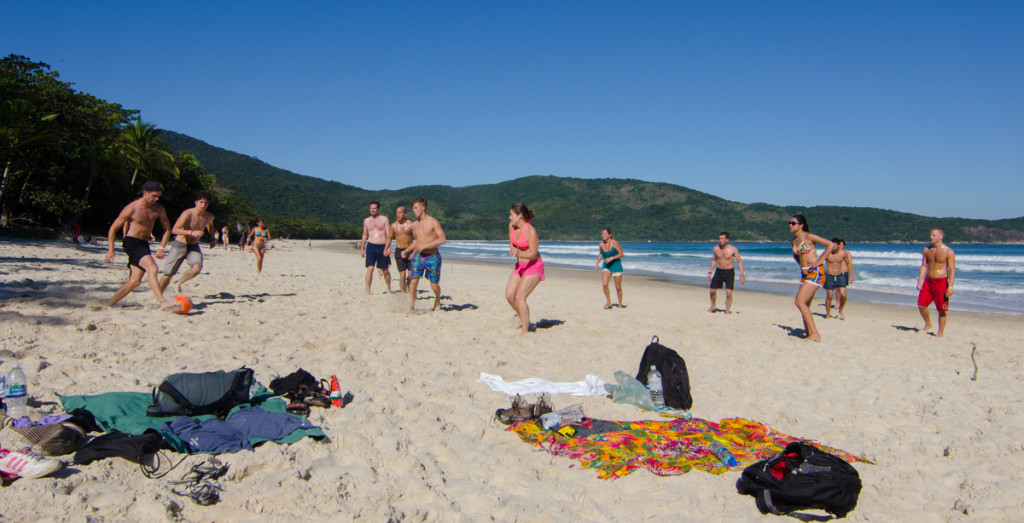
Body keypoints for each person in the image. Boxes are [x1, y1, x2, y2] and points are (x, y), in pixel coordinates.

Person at [104, 180, 174, 309]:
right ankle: (162, 302)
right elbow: (113, 228)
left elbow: (168, 229)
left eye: (159, 196)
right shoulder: (132, 208)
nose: (157, 199)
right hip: (131, 242)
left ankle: (108, 305)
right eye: (154, 196)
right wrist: (110, 250)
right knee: (153, 268)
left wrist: (162, 247)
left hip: (143, 244)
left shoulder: (159, 209)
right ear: (145, 193)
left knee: (135, 281)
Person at [158, 191, 215, 296]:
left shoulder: (208, 216)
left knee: (197, 267)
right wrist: (191, 232)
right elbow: (175, 230)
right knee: (168, 273)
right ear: (196, 202)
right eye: (201, 202)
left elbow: (210, 226)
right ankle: (158, 294)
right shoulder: (188, 213)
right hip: (180, 244)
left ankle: (178, 283)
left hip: (193, 246)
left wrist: (212, 239)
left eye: (205, 203)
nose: (203, 205)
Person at [788, 215, 834, 341]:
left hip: (815, 271)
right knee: (805, 304)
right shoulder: (794, 241)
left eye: (793, 223)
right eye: (789, 223)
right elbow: (796, 256)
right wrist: (802, 266)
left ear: (801, 225)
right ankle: (808, 332)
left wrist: (819, 261)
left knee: (799, 301)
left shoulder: (808, 237)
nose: (790, 225)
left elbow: (830, 245)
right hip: (805, 272)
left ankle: (815, 334)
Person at [402, 198, 446, 311]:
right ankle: (411, 306)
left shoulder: (433, 222)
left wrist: (426, 246)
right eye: (413, 209)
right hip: (419, 256)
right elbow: (417, 241)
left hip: (433, 257)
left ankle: (437, 300)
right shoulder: (415, 225)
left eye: (416, 208)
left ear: (423, 208)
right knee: (413, 280)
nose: (414, 211)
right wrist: (407, 250)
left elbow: (442, 239)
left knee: (434, 285)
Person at [505, 203, 544, 334]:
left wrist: (519, 253)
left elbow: (533, 253)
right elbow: (511, 241)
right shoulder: (511, 226)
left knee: (520, 297)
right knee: (510, 295)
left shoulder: (530, 231)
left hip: (534, 266)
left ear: (519, 215)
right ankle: (523, 319)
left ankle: (525, 331)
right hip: (520, 266)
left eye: (511, 215)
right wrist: (512, 247)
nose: (509, 218)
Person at [917, 228, 956, 337]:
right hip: (929, 281)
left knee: (941, 309)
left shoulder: (948, 251)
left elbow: (952, 270)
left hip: (941, 281)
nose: (931, 237)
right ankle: (928, 323)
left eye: (934, 235)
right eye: (931, 235)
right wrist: (920, 280)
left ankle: (940, 332)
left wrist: (951, 286)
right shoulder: (926, 250)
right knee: (921, 305)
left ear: (941, 237)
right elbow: (924, 266)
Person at [707, 231, 745, 314]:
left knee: (729, 293)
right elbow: (714, 260)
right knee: (712, 291)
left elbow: (739, 261)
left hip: (729, 272)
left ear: (727, 239)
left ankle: (727, 310)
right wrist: (710, 272)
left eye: (722, 238)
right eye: (719, 238)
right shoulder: (716, 249)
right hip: (719, 271)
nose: (720, 240)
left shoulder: (733, 249)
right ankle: (713, 305)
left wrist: (741, 274)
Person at [360, 201, 392, 294]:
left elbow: (388, 234)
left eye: (374, 208)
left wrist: (388, 247)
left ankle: (388, 287)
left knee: (385, 270)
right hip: (371, 246)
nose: (372, 210)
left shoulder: (384, 219)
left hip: (382, 246)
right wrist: (362, 248)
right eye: (371, 208)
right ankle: (368, 290)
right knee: (370, 268)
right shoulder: (366, 220)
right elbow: (365, 235)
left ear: (378, 209)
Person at [594, 227, 625, 309]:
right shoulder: (601, 244)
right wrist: (597, 263)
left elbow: (621, 254)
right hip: (607, 266)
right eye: (602, 234)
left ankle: (620, 304)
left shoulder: (614, 243)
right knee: (604, 285)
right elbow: (601, 254)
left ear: (610, 235)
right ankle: (608, 301)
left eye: (604, 233)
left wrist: (611, 258)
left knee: (618, 288)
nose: (602, 235)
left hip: (616, 266)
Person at [824, 238, 854, 319]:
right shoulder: (827, 253)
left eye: (835, 245)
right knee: (829, 296)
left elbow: (848, 264)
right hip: (829, 276)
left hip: (840, 275)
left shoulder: (843, 253)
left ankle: (840, 310)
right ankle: (828, 314)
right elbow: (819, 261)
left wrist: (851, 276)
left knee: (843, 295)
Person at [391, 205, 415, 293]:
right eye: (396, 212)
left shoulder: (411, 224)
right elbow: (389, 238)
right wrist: (386, 249)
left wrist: (416, 251)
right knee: (402, 274)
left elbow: (416, 238)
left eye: (400, 212)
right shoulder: (393, 225)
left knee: (410, 275)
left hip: (410, 250)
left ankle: (409, 286)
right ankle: (403, 291)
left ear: (405, 214)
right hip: (399, 250)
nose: (398, 214)